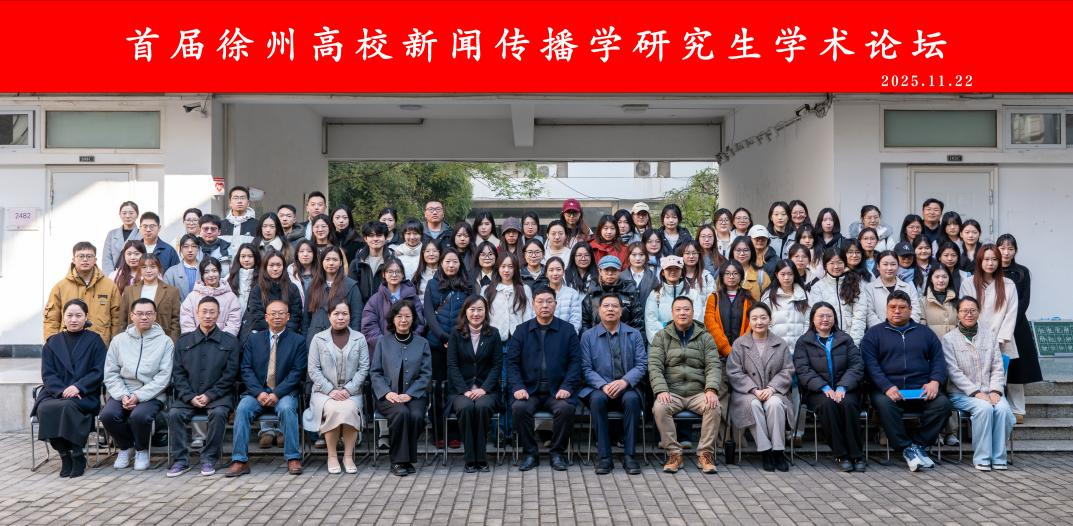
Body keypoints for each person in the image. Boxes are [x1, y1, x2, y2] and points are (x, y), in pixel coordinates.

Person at [860, 291, 951, 472]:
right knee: (884, 405)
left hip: (920, 389)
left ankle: (917, 445)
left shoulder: (925, 333)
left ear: (910, 309)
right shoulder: (873, 334)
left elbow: (938, 360)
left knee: (943, 404)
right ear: (886, 309)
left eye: (902, 307)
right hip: (887, 390)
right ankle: (905, 447)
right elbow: (870, 365)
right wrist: (886, 386)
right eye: (892, 307)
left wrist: (935, 382)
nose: (897, 311)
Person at [225, 299, 307, 477]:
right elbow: (246, 369)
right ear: (266, 317)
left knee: (286, 409)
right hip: (257, 392)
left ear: (288, 317)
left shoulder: (298, 341)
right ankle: (240, 460)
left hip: (284, 392)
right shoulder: (254, 339)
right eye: (273, 313)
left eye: (281, 313)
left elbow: (297, 372)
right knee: (243, 409)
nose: (277, 317)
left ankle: (293, 458)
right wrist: (259, 392)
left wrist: (277, 393)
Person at [507, 287, 581, 471]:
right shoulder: (522, 331)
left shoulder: (567, 330)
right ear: (533, 305)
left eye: (549, 301)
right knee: (519, 408)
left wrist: (567, 387)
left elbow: (575, 362)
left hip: (557, 390)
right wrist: (518, 387)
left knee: (565, 408)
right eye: (540, 301)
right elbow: (512, 363)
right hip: (529, 391)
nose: (545, 305)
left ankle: (557, 453)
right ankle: (530, 453)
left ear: (555, 304)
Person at [166, 296, 241, 477]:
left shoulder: (230, 342)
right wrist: (190, 396)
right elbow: (178, 374)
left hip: (218, 397)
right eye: (204, 312)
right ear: (196, 313)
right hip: (188, 395)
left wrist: (210, 395)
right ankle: (180, 460)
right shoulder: (183, 342)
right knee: (174, 414)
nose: (208, 316)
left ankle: (209, 458)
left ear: (218, 314)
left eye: (212, 312)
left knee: (219, 413)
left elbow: (230, 375)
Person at [32, 299, 107, 478]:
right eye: (70, 315)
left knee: (67, 407)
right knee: (45, 408)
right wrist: (62, 391)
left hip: (84, 393)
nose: (74, 319)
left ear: (86, 317)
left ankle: (77, 453)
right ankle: (64, 454)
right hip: (54, 392)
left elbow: (99, 370)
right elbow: (48, 374)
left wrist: (78, 387)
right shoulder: (52, 343)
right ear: (63, 317)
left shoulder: (95, 341)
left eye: (78, 315)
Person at [649, 296, 721, 474]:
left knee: (714, 406)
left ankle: (705, 454)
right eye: (678, 309)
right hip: (672, 392)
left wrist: (711, 389)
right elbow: (655, 366)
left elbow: (713, 365)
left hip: (698, 393)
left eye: (686, 309)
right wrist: (661, 390)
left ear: (693, 312)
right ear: (672, 313)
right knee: (659, 408)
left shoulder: (705, 337)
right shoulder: (662, 336)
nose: (683, 313)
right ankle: (674, 454)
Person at [942, 296, 1015, 470]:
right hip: (962, 394)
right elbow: (954, 372)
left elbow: (997, 367)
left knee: (1003, 409)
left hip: (990, 391)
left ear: (978, 312)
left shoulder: (989, 336)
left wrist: (995, 390)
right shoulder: (949, 339)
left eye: (973, 310)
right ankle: (982, 458)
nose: (969, 314)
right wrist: (976, 393)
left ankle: (998, 458)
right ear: (958, 314)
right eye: (964, 311)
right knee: (984, 408)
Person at [101, 298, 174, 471]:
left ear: (155, 316)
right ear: (132, 316)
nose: (144, 317)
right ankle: (125, 447)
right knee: (108, 415)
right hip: (123, 392)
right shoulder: (119, 341)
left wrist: (138, 396)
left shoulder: (165, 342)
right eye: (139, 313)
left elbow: (164, 377)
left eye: (149, 313)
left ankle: (142, 450)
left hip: (152, 394)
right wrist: (123, 395)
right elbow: (111, 373)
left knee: (139, 416)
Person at [794, 302, 867, 472]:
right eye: (821, 316)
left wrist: (842, 387)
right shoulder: (804, 342)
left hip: (845, 389)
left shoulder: (845, 339)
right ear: (813, 319)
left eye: (829, 316)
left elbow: (856, 366)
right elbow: (803, 370)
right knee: (828, 405)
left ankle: (857, 455)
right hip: (817, 391)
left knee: (848, 404)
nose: (825, 319)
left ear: (834, 318)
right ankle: (841, 455)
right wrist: (824, 388)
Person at [580, 293, 647, 475]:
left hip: (627, 387)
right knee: (597, 400)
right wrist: (603, 385)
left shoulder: (634, 334)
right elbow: (585, 368)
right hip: (599, 388)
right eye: (606, 306)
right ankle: (604, 457)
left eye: (615, 306)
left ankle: (630, 456)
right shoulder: (588, 336)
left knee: (632, 400)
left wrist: (625, 381)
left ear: (621, 310)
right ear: (599, 310)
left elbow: (642, 364)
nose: (610, 309)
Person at [303, 300, 370, 475]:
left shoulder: (359, 339)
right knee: (333, 409)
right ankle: (332, 456)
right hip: (324, 393)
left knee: (349, 409)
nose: (341, 317)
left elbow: (364, 368)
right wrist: (330, 390)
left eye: (344, 314)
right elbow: (313, 369)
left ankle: (348, 456)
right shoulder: (318, 339)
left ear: (350, 316)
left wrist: (348, 390)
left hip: (351, 392)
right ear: (329, 316)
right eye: (336, 314)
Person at [727, 303, 794, 472]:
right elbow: (734, 371)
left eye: (763, 318)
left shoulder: (780, 344)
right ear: (749, 321)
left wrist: (771, 388)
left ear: (770, 320)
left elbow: (787, 370)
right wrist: (754, 390)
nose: (759, 322)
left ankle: (778, 451)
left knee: (775, 404)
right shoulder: (740, 344)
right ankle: (766, 451)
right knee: (754, 404)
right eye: (754, 318)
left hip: (774, 391)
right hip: (747, 393)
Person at [370, 301, 433, 476]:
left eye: (407, 316)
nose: (403, 320)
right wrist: (387, 392)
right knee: (401, 413)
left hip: (415, 395)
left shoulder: (422, 343)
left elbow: (426, 374)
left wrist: (410, 394)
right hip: (388, 396)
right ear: (393, 318)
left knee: (416, 416)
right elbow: (375, 372)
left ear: (413, 319)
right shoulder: (383, 342)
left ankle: (406, 458)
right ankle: (398, 462)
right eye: (399, 316)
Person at [959, 244, 1021, 418]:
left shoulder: (1008, 284)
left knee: (997, 381)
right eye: (986, 259)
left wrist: (1000, 338)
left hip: (1001, 341)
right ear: (979, 261)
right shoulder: (968, 283)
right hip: (974, 339)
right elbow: (966, 312)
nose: (990, 263)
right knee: (976, 379)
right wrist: (978, 337)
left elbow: (1011, 314)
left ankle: (998, 414)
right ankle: (979, 414)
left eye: (994, 259)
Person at [446, 295, 503, 472]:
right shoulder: (456, 334)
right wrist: (465, 390)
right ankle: (470, 459)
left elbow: (497, 365)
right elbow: (452, 365)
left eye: (480, 309)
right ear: (465, 312)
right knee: (466, 408)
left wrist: (484, 389)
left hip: (487, 390)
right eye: (472, 309)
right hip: (461, 391)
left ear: (486, 312)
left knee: (482, 407)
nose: (476, 313)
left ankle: (482, 458)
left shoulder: (493, 334)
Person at [421, 249, 471, 447]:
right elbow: (428, 314)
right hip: (437, 344)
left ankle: (456, 432)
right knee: (437, 389)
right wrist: (443, 336)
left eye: (455, 262)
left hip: (460, 344)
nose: (451, 265)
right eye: (447, 261)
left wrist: (455, 338)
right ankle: (438, 433)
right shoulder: (432, 284)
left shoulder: (467, 285)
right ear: (441, 263)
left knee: (457, 387)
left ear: (460, 264)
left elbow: (470, 313)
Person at [996, 233, 1043, 423]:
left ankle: (1018, 409)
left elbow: (1024, 300)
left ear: (1015, 251)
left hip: (1016, 325)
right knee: (996, 367)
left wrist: (1009, 319)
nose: (1006, 252)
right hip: (994, 324)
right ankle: (999, 405)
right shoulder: (990, 269)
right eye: (1002, 248)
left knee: (1017, 368)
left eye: (1010, 248)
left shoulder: (1022, 272)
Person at [44, 242, 123, 345]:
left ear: (95, 260)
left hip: (100, 344)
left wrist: (115, 344)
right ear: (73, 259)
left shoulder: (109, 286)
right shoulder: (60, 287)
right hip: (68, 344)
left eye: (89, 256)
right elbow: (52, 319)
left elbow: (117, 318)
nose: (85, 259)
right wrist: (52, 344)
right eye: (81, 256)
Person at [361, 257, 425, 354]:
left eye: (398, 272)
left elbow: (419, 323)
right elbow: (369, 327)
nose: (394, 275)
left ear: (403, 274)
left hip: (408, 350)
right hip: (383, 352)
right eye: (390, 272)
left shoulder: (412, 297)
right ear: (384, 274)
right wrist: (386, 345)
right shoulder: (375, 300)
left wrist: (407, 342)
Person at [854, 250, 922, 338]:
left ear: (898, 266)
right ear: (878, 266)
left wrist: (906, 329)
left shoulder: (908, 287)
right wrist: (885, 332)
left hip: (906, 335)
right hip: (880, 335)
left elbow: (915, 311)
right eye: (885, 264)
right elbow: (870, 314)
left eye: (893, 264)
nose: (889, 268)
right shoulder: (869, 289)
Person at [305, 246, 364, 346]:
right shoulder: (313, 285)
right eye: (327, 259)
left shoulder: (351, 286)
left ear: (340, 262)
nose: (331, 263)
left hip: (342, 340)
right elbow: (306, 319)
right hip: (314, 339)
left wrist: (353, 341)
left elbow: (356, 317)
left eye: (335, 260)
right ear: (322, 262)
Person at [242, 250, 303, 341]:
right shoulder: (257, 289)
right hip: (262, 334)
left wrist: (283, 334)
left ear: (283, 267)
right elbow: (257, 317)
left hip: (287, 335)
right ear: (265, 267)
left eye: (278, 265)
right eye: (271, 265)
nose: (275, 269)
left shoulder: (292, 288)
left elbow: (295, 316)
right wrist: (273, 333)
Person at [119, 254, 181, 342]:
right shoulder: (129, 290)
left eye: (153, 267)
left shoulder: (172, 291)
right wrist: (122, 341)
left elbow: (176, 320)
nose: (148, 271)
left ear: (159, 268)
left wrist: (172, 342)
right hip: (133, 340)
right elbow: (122, 320)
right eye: (144, 267)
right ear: (140, 269)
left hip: (162, 340)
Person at [645, 255, 703, 342]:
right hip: (662, 344)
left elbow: (697, 321)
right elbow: (651, 323)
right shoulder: (655, 295)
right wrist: (662, 343)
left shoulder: (693, 294)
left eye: (676, 268)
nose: (673, 271)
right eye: (669, 269)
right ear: (663, 272)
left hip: (688, 344)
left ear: (682, 272)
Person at [179, 258, 242, 336]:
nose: (211, 275)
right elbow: (186, 323)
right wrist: (196, 339)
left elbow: (233, 324)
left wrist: (222, 339)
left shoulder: (231, 298)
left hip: (223, 342)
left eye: (214, 271)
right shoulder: (192, 297)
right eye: (206, 272)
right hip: (196, 341)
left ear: (220, 272)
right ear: (202, 275)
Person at [581, 255, 643, 333]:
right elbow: (585, 323)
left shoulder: (630, 293)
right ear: (600, 271)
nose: (610, 273)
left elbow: (638, 323)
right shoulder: (592, 294)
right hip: (596, 338)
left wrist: (633, 339)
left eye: (614, 270)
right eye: (606, 270)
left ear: (619, 271)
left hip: (625, 338)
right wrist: (590, 339)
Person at [704, 259, 753, 357]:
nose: (731, 276)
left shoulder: (748, 297)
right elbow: (711, 324)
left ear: (741, 276)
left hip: (743, 353)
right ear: (722, 276)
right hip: (718, 355)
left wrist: (742, 347)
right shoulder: (714, 298)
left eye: (735, 273)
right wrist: (726, 349)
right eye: (727, 273)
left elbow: (751, 324)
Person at [482, 252, 534, 342]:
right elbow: (484, 315)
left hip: (519, 338)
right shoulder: (487, 290)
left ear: (515, 269)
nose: (506, 270)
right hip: (494, 339)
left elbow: (529, 314)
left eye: (510, 267)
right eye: (503, 266)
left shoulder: (525, 289)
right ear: (498, 268)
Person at [763, 260, 810, 346]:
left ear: (794, 275)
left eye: (790, 274)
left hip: (800, 347)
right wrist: (773, 342)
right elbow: (765, 321)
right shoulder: (768, 296)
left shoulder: (804, 295)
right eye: (783, 274)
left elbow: (808, 321)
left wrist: (802, 342)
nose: (786, 278)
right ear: (777, 275)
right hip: (775, 346)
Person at [348, 221, 394, 303]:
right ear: (365, 238)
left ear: (385, 237)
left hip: (386, 307)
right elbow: (351, 292)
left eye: (379, 235)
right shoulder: (357, 264)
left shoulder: (393, 262)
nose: (375, 239)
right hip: (362, 308)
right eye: (371, 236)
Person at [103, 201, 141, 275]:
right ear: (120, 215)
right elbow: (106, 258)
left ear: (137, 215)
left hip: (136, 275)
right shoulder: (112, 234)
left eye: (131, 213)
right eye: (124, 213)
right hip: (114, 275)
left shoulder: (142, 234)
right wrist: (111, 276)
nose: (127, 216)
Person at [544, 256, 583, 332]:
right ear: (546, 273)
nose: (555, 273)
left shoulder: (572, 294)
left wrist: (567, 336)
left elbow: (576, 321)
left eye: (558, 269)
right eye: (551, 270)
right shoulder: (540, 294)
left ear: (563, 272)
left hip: (567, 336)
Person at [920, 266, 958, 339]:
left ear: (949, 278)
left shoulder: (956, 300)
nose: (941, 280)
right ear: (931, 279)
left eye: (944, 277)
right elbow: (922, 326)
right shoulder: (923, 301)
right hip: (932, 343)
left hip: (953, 343)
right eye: (937, 277)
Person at [164, 234, 202, 300]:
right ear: (181, 249)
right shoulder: (171, 272)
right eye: (186, 246)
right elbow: (167, 297)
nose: (190, 250)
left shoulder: (205, 270)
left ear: (198, 248)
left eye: (194, 246)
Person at [221, 186, 258, 252]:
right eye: (235, 198)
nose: (239, 201)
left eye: (242, 198)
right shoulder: (221, 225)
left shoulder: (257, 225)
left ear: (248, 203)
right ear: (230, 202)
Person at [728, 236, 767, 300]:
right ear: (732, 252)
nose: (742, 253)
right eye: (738, 250)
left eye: (745, 250)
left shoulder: (761, 275)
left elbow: (767, 301)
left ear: (752, 252)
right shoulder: (724, 272)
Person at [624, 242, 659, 308]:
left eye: (641, 254)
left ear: (646, 256)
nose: (638, 258)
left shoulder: (652, 278)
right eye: (634, 255)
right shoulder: (621, 277)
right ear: (628, 257)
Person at [227, 243, 261, 311]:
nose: (246, 260)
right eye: (243, 256)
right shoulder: (230, 276)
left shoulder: (262, 277)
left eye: (250, 256)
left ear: (256, 258)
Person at [287, 239, 318, 304]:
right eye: (301, 251)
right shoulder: (290, 271)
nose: (305, 254)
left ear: (314, 254)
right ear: (297, 254)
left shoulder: (320, 270)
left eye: (309, 251)